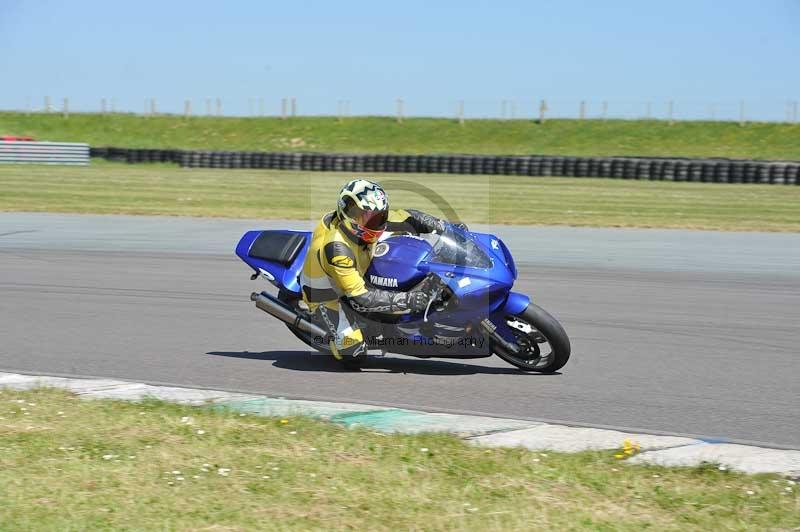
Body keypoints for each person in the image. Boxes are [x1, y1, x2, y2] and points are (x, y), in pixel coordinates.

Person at [300, 179, 450, 365]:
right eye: (367, 217)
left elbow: (410, 217)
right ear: (348, 213)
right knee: (354, 354)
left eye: (379, 217)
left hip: (358, 268)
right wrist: (407, 300)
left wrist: (448, 228)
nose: (374, 223)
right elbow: (360, 296)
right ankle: (332, 334)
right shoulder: (337, 249)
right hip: (327, 293)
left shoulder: (375, 225)